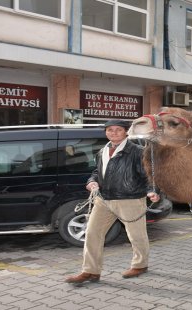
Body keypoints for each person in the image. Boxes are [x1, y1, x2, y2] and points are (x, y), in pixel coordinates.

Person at [65, 120, 161, 284]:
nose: (114, 132)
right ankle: (91, 271)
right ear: (106, 132)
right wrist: (92, 181)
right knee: (92, 234)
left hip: (130, 199)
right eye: (110, 130)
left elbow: (149, 174)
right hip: (104, 199)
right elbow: (97, 172)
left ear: (126, 132)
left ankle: (140, 265)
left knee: (136, 236)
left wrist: (153, 190)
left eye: (118, 130)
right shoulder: (102, 151)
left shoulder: (137, 151)